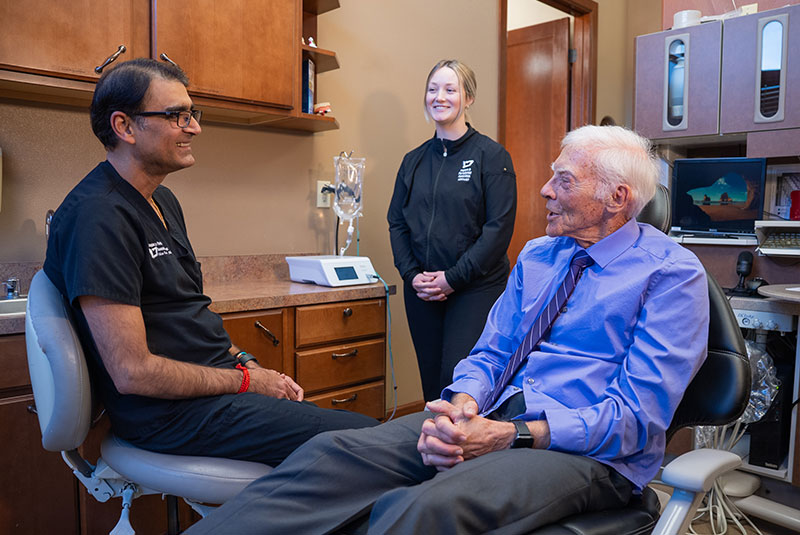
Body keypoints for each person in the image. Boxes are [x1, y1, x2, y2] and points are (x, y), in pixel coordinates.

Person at [186, 125, 710, 534]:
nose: (546, 190)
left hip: (586, 452)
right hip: (493, 416)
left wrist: (510, 435)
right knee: (332, 455)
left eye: (565, 180)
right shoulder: (539, 255)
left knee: (426, 508)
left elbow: (636, 420)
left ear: (617, 198)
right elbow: (493, 351)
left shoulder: (671, 274)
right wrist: (462, 404)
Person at [43, 58, 377, 467]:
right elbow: (132, 371)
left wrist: (247, 364)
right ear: (124, 127)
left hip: (212, 394)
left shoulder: (162, 200)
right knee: (365, 446)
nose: (195, 128)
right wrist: (248, 382)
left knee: (358, 431)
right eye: (177, 116)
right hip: (169, 415)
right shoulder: (97, 217)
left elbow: (188, 316)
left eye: (192, 114)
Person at [388, 59, 517, 401]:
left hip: (475, 289)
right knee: (431, 380)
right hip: (423, 290)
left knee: (457, 379)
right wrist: (411, 274)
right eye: (433, 89)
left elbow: (498, 229)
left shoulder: (491, 157)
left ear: (468, 98)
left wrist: (452, 278)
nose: (439, 97)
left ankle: (469, 449)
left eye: (450, 89)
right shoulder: (413, 161)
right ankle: (432, 450)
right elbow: (397, 222)